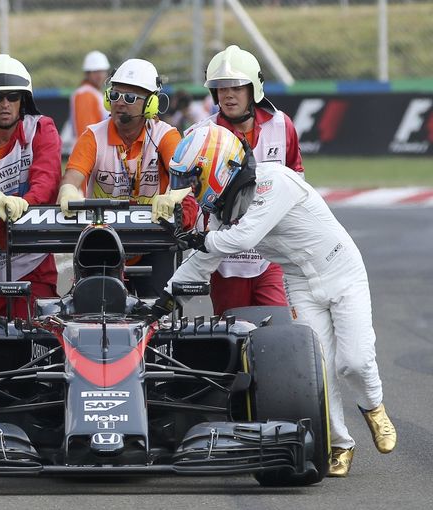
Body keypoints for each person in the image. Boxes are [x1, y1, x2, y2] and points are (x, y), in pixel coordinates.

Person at [154, 123, 397, 478]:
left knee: (354, 362)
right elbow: (203, 262)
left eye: (194, 178)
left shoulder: (274, 180)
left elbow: (243, 237)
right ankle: (340, 443)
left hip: (342, 270)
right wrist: (164, 299)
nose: (191, 188)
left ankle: (374, 406)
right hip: (299, 282)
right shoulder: (223, 211)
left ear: (216, 167)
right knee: (320, 371)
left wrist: (196, 238)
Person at [58, 58, 197, 297]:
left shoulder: (166, 136)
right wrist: (68, 189)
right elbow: (72, 178)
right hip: (102, 239)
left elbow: (187, 177)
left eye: (130, 98)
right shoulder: (92, 136)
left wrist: (174, 196)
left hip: (155, 241)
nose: (119, 103)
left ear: (151, 104)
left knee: (158, 314)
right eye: (115, 95)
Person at [188, 45, 304, 316]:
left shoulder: (282, 125)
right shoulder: (200, 135)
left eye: (237, 87)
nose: (228, 95)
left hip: (272, 256)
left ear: (254, 88)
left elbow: (297, 181)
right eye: (221, 88)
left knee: (281, 327)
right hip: (225, 258)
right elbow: (186, 193)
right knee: (233, 333)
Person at [0, 54, 62, 319]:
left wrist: (22, 206)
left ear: (24, 100)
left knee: (40, 334)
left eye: (13, 96)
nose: (5, 104)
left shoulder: (41, 128)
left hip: (32, 258)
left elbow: (47, 182)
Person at [69, 50, 110, 139]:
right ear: (87, 73)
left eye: (102, 71)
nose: (100, 76)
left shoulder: (94, 93)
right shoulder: (85, 94)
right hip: (90, 149)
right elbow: (86, 131)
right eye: (96, 72)